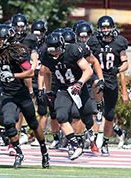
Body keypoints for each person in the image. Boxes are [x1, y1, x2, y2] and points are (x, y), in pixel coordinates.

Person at [0, 24, 50, 168]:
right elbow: (0, 68)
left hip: (20, 93)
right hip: (7, 93)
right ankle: (18, 152)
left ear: (9, 38)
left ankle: (44, 151)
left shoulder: (17, 52)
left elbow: (30, 72)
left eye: (1, 39)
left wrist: (14, 75)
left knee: (33, 123)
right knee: (8, 122)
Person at [40, 32, 93, 160]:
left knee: (86, 114)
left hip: (78, 86)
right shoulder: (45, 55)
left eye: (56, 50)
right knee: (61, 116)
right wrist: (48, 91)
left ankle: (90, 129)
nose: (54, 54)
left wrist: (80, 83)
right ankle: (75, 146)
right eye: (51, 51)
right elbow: (46, 72)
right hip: (63, 88)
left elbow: (88, 70)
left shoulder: (73, 51)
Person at [87, 15, 128, 156]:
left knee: (110, 115)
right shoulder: (93, 41)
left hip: (111, 78)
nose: (105, 30)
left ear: (112, 28)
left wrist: (118, 69)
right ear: (99, 28)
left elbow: (125, 63)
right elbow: (88, 59)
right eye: (103, 27)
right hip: (98, 75)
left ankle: (105, 143)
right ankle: (98, 107)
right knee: (97, 82)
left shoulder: (119, 42)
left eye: (107, 27)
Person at [11, 13, 39, 145]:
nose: (19, 29)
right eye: (17, 26)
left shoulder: (30, 39)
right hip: (11, 75)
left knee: (27, 105)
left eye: (22, 26)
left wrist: (30, 71)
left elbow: (34, 58)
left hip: (26, 75)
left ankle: (23, 132)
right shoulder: (9, 38)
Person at [30, 20, 49, 146]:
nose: (37, 37)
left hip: (42, 78)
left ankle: (40, 137)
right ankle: (24, 134)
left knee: (42, 109)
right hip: (29, 78)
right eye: (35, 34)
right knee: (26, 109)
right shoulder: (27, 44)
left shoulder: (47, 46)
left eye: (40, 34)